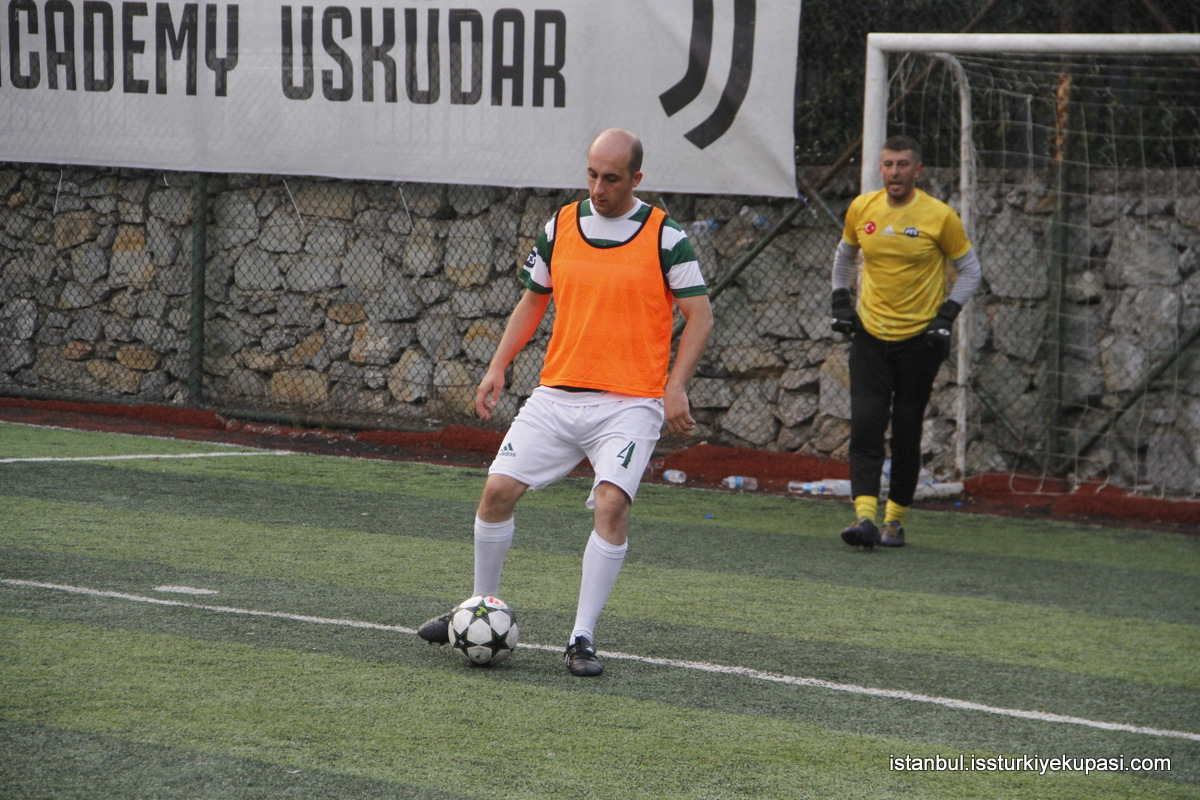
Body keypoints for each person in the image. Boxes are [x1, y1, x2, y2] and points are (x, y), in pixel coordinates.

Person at [417, 128, 714, 675]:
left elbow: (701, 315)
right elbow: (533, 301)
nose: (598, 188)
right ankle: (480, 607)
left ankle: (581, 638)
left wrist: (675, 385)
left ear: (637, 179)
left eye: (612, 179)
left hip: (629, 404)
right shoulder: (561, 225)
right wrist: (498, 365)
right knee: (496, 492)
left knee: (611, 505)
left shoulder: (665, 235)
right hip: (556, 395)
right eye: (592, 175)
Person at [830, 134, 981, 549]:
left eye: (902, 164)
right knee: (866, 423)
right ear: (880, 168)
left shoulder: (940, 216)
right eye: (888, 164)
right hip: (870, 336)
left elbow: (970, 271)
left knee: (906, 431)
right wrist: (840, 300)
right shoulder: (863, 208)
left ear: (918, 170)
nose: (894, 172)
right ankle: (864, 518)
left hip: (919, 342)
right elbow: (844, 256)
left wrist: (946, 317)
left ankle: (894, 521)